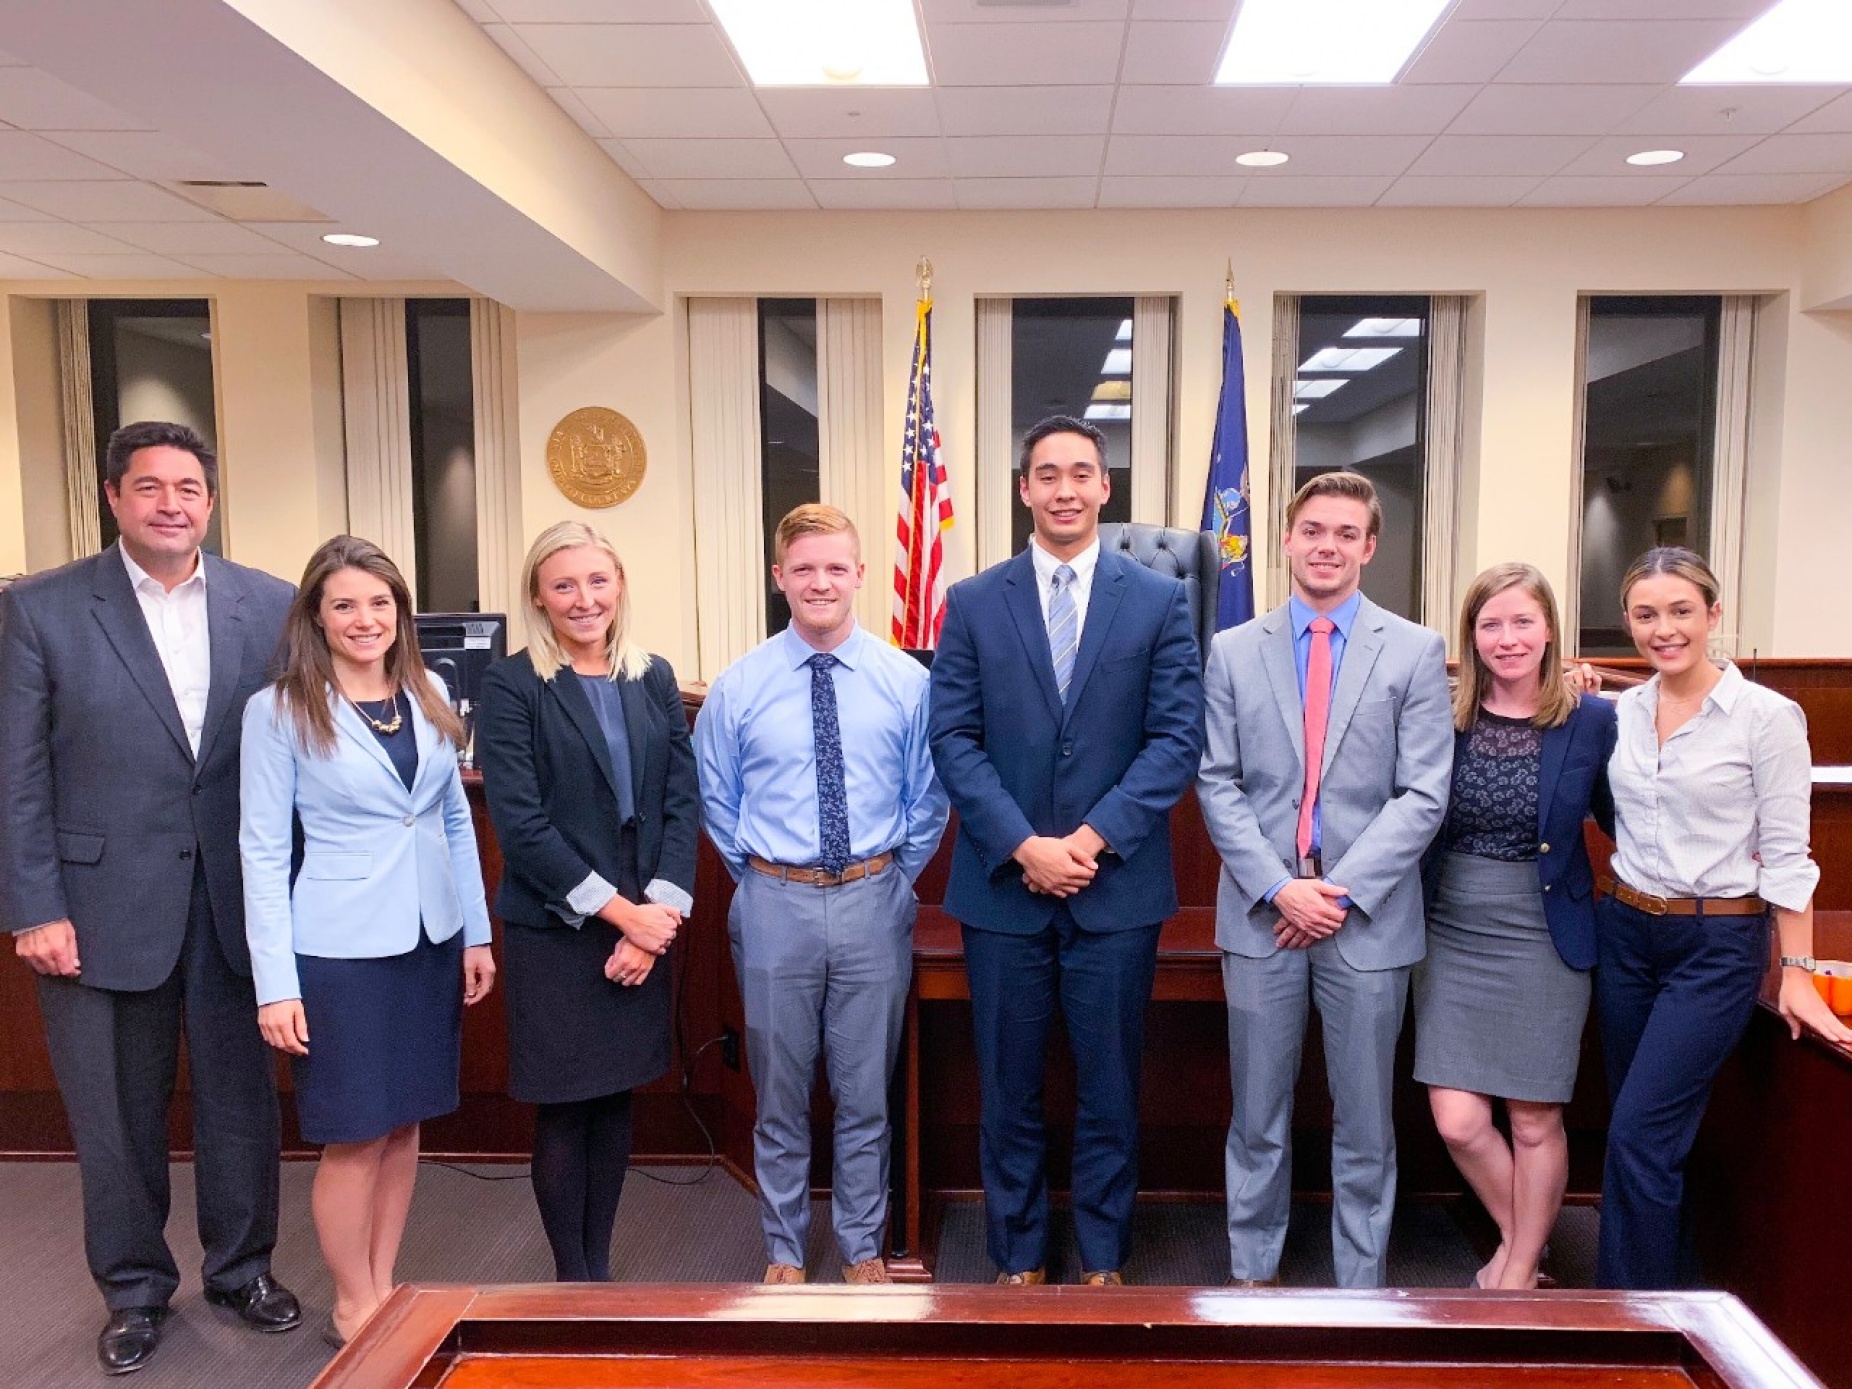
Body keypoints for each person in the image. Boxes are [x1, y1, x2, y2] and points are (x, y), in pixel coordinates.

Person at [0, 421, 301, 1374]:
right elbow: (16, 774)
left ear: (210, 501)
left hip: (234, 905)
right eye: (150, 487)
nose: (172, 503)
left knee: (241, 1105)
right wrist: (34, 907)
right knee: (116, 1117)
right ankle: (133, 1289)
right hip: (95, 910)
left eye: (189, 488)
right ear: (112, 496)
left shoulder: (271, 603)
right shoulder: (40, 608)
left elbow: (298, 753)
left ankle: (242, 1268)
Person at [929, 416, 1203, 1287]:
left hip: (1114, 885)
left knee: (1110, 1085)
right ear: (1024, 490)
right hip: (1004, 888)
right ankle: (1015, 1258)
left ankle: (1103, 1256)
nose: (1065, 490)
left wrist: (1085, 840)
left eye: (1081, 473)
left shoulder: (1159, 600)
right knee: (1007, 1086)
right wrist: (1022, 845)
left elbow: (1175, 740)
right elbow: (954, 740)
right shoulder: (974, 600)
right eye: (1046, 475)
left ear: (1105, 486)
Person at [1196, 470, 1451, 1290]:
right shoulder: (1234, 650)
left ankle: (1361, 1288)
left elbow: (1423, 794)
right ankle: (1251, 1278)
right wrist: (1281, 888)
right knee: (1258, 1117)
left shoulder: (1414, 650)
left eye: (1346, 533)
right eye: (1313, 529)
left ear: (1369, 547)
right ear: (1287, 539)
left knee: (1366, 1123)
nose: (1328, 546)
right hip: (1263, 915)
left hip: (1365, 921)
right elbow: (1217, 781)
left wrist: (1332, 892)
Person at [240, 534, 495, 1345]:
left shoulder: (424, 692)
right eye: (344, 603)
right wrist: (276, 983)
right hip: (340, 951)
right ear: (316, 613)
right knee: (355, 1132)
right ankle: (353, 1301)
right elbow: (263, 849)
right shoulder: (280, 707)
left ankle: (385, 1285)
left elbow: (453, 817)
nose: (365, 618)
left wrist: (475, 936)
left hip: (427, 940)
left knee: (404, 1122)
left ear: (401, 613)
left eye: (380, 603)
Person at [695, 503, 947, 1285]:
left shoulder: (908, 682)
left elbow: (927, 796)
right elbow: (718, 800)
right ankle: (783, 1248)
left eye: (836, 566)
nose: (820, 581)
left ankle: (862, 1245)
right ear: (780, 578)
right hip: (774, 899)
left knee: (865, 1087)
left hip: (876, 895)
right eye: (803, 568)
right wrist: (773, 881)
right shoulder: (739, 686)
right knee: (779, 1088)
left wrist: (891, 877)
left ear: (861, 574)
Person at [1596, 547, 1852, 1290]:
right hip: (1628, 935)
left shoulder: (1768, 717)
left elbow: (1788, 855)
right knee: (1642, 1134)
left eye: (1681, 611)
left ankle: (1627, 1326)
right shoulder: (1627, 709)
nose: (1663, 628)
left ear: (1712, 615)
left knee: (1639, 1135)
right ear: (1629, 622)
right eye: (1646, 614)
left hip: (1715, 944)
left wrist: (1797, 971)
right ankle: (1675, 1301)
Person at [476, 521, 699, 1282]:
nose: (584, 598)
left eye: (597, 580)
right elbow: (522, 824)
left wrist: (654, 921)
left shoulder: (654, 676)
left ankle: (598, 1270)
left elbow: (680, 802)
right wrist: (621, 914)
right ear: (538, 594)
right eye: (564, 584)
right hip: (560, 931)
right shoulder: (512, 684)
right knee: (566, 1106)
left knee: (615, 1102)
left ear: (620, 584)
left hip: (643, 932)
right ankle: (573, 1278)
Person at [1412, 563, 1616, 1291]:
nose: (1508, 638)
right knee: (1459, 1119)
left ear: (1551, 628)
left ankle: (1520, 1270)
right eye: (1490, 624)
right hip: (1453, 927)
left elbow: (1629, 817)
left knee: (1534, 1121)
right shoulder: (1444, 713)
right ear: (1470, 637)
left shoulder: (1593, 717)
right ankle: (1519, 1235)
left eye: (1523, 621)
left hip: (1545, 932)